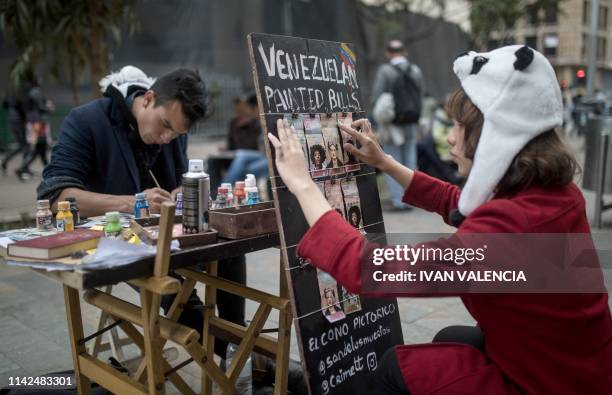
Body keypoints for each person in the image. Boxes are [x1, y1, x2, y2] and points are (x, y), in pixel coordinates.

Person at [269, 46, 611, 394]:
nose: (450, 137)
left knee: (395, 366)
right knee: (450, 338)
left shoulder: (509, 228)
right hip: (574, 366)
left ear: (496, 136)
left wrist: (302, 184)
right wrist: (386, 163)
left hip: (549, 383)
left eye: (460, 126)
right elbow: (461, 205)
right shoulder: (556, 194)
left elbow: (371, 268)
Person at [36, 65, 245, 359]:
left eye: (176, 134)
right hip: (116, 240)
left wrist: (181, 194)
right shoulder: (87, 121)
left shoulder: (173, 132)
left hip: (165, 236)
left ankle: (242, 341)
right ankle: (241, 352)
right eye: (165, 126)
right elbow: (55, 196)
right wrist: (131, 201)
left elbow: (176, 183)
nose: (166, 138)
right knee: (174, 287)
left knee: (230, 245)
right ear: (147, 98)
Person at [371, 39, 424, 210]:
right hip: (411, 121)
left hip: (391, 124)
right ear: (405, 52)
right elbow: (421, 94)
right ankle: (412, 198)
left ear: (388, 54)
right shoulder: (415, 70)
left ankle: (398, 201)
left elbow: (377, 96)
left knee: (392, 160)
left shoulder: (385, 71)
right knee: (410, 159)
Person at [221, 93, 268, 185]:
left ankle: (224, 189)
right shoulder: (234, 123)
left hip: (263, 156)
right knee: (214, 161)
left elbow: (259, 147)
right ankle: (218, 190)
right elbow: (231, 144)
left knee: (242, 158)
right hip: (253, 156)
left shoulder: (258, 122)